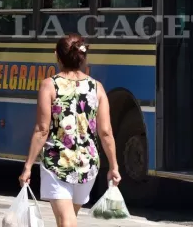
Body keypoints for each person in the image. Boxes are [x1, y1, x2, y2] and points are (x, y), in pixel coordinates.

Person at [18, 33, 121, 227]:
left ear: (57, 56)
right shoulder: (97, 88)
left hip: (57, 162)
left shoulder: (49, 85)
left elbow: (42, 129)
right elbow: (106, 132)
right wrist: (114, 166)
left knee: (66, 220)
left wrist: (28, 166)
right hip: (87, 165)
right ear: (83, 57)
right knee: (66, 218)